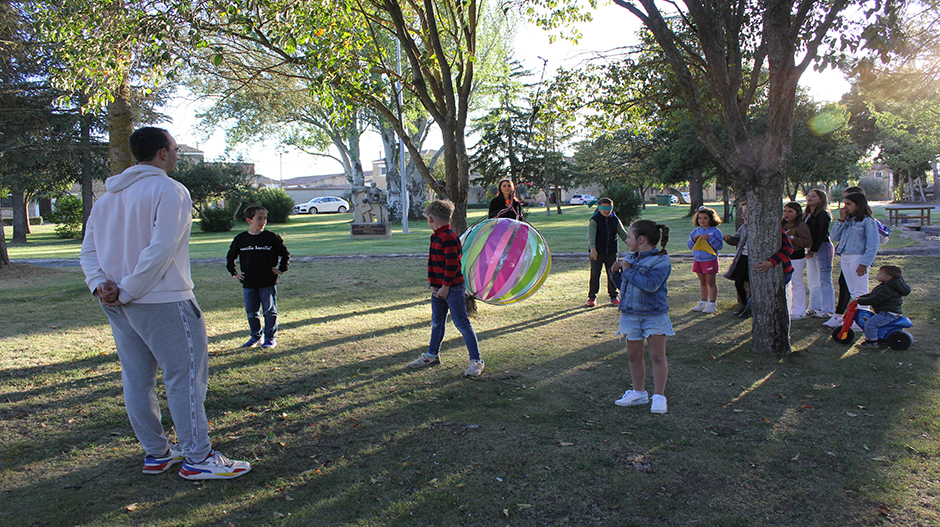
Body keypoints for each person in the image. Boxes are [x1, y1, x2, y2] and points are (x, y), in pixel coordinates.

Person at [79, 127, 250, 480]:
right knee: (185, 378)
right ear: (162, 153)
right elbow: (161, 248)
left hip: (118, 303)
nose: (176, 154)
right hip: (162, 299)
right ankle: (198, 458)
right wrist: (124, 289)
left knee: (137, 379)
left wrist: (102, 286)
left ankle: (157, 453)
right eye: (174, 149)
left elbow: (88, 252)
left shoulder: (106, 199)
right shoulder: (169, 190)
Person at [409, 199, 484, 377]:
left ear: (431, 220)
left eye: (427, 219)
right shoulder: (436, 236)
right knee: (437, 323)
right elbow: (434, 265)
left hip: (452, 289)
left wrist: (444, 287)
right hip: (438, 289)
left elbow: (452, 266)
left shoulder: (449, 238)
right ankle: (432, 355)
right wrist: (434, 287)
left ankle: (476, 361)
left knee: (462, 323)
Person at [610, 220, 673, 414]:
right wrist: (615, 273)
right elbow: (625, 286)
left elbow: (651, 285)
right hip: (630, 315)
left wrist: (627, 269)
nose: (626, 240)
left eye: (628, 237)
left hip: (654, 315)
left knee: (656, 355)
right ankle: (639, 392)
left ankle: (659, 396)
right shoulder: (631, 257)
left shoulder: (661, 261)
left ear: (640, 239)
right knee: (633, 355)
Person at [226, 205, 290, 349]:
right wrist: (234, 273)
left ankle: (270, 338)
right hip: (249, 282)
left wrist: (281, 269)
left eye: (265, 219)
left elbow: (285, 253)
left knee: (269, 311)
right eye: (259, 219)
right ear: (249, 220)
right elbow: (231, 257)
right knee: (251, 312)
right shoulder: (241, 239)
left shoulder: (271, 237)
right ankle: (255, 337)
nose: (263, 222)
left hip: (267, 282)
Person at [825, 192, 880, 329]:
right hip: (845, 256)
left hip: (858, 257)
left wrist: (865, 263)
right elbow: (834, 236)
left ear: (858, 205)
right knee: (852, 289)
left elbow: (873, 244)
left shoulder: (868, 221)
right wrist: (841, 220)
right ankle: (854, 317)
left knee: (860, 289)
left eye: (849, 204)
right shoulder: (848, 221)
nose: (846, 207)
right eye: (845, 204)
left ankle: (863, 319)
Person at [586, 197, 628, 307]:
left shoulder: (615, 219)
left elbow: (623, 234)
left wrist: (631, 243)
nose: (606, 211)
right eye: (604, 208)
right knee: (595, 274)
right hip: (597, 252)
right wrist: (593, 249)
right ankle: (592, 297)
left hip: (611, 252)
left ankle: (614, 296)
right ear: (599, 209)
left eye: (609, 208)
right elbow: (591, 236)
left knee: (612, 274)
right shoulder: (595, 220)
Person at [856, 265, 911, 348]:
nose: (877, 275)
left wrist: (859, 301)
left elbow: (876, 299)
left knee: (870, 323)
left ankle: (872, 342)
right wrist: (861, 298)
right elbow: (874, 295)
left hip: (888, 313)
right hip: (889, 312)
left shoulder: (888, 288)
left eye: (880, 273)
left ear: (888, 277)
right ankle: (879, 337)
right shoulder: (889, 286)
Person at [803, 189, 835, 320]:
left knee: (824, 279)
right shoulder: (808, 214)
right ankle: (814, 306)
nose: (809, 198)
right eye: (808, 196)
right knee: (812, 279)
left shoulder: (823, 214)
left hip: (822, 247)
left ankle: (828, 309)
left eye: (813, 196)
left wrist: (813, 250)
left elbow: (821, 233)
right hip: (810, 248)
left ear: (821, 199)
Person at [687, 206, 723, 314]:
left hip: (710, 259)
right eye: (700, 218)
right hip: (698, 260)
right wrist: (694, 240)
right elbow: (689, 246)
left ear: (711, 219)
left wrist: (710, 239)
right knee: (702, 282)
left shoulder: (715, 231)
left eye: (705, 218)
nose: (702, 221)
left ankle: (712, 304)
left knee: (711, 282)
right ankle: (703, 302)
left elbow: (719, 245)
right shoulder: (695, 231)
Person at [782, 202, 812, 319]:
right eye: (785, 211)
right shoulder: (781, 224)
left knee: (797, 283)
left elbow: (808, 242)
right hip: (784, 257)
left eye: (790, 211)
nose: (786, 214)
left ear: (798, 213)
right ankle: (788, 308)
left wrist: (793, 238)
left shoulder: (801, 226)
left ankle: (799, 311)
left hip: (796, 256)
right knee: (786, 284)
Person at [723, 203, 750, 317]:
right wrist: (729, 239)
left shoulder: (760, 228)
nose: (744, 215)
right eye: (743, 212)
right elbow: (736, 239)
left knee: (753, 284)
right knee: (739, 282)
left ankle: (751, 307)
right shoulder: (743, 227)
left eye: (747, 212)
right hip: (742, 258)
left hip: (754, 260)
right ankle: (743, 305)